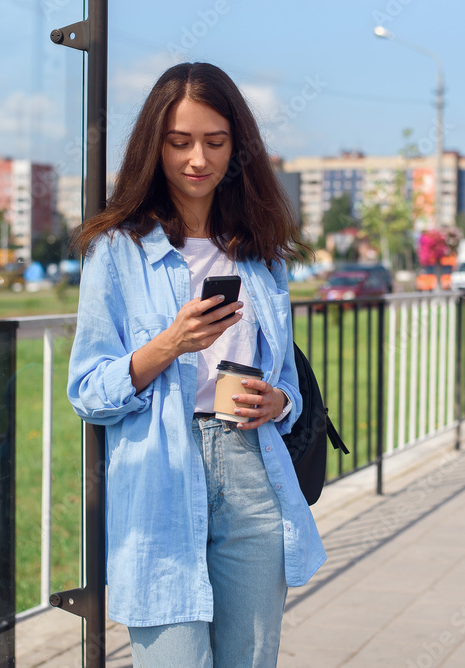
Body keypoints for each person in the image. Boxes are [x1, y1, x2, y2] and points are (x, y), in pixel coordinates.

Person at [67, 62, 326, 667]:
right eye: (180, 142)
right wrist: (168, 345)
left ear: (239, 147)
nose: (197, 160)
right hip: (160, 474)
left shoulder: (261, 251)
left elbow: (283, 374)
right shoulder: (117, 250)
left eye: (215, 142)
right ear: (154, 146)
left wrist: (280, 401)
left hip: (249, 467)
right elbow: (86, 391)